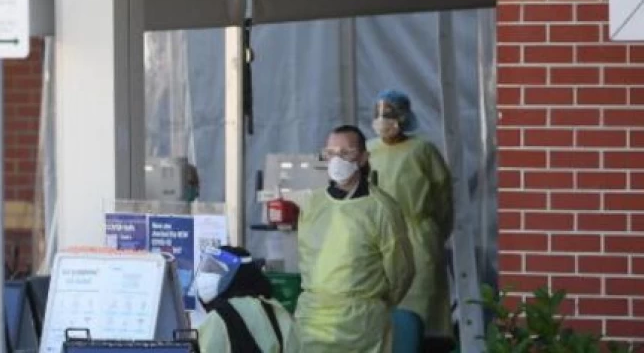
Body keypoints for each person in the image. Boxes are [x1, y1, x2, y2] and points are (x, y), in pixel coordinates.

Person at [295, 125, 414, 353]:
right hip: (312, 320)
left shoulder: (381, 208)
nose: (336, 160)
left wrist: (372, 303)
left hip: (361, 325)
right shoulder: (313, 204)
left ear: (363, 158)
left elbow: (401, 271)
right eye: (330, 153)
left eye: (346, 152)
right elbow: (307, 259)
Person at [367, 90, 455, 353]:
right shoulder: (369, 150)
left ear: (404, 118)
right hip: (381, 237)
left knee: (422, 304)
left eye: (390, 115)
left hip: (419, 237)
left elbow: (443, 196)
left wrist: (434, 231)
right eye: (379, 115)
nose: (383, 120)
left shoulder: (422, 150)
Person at [194, 246, 299, 353]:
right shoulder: (278, 312)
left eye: (214, 270)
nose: (205, 275)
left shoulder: (218, 318)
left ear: (233, 275)